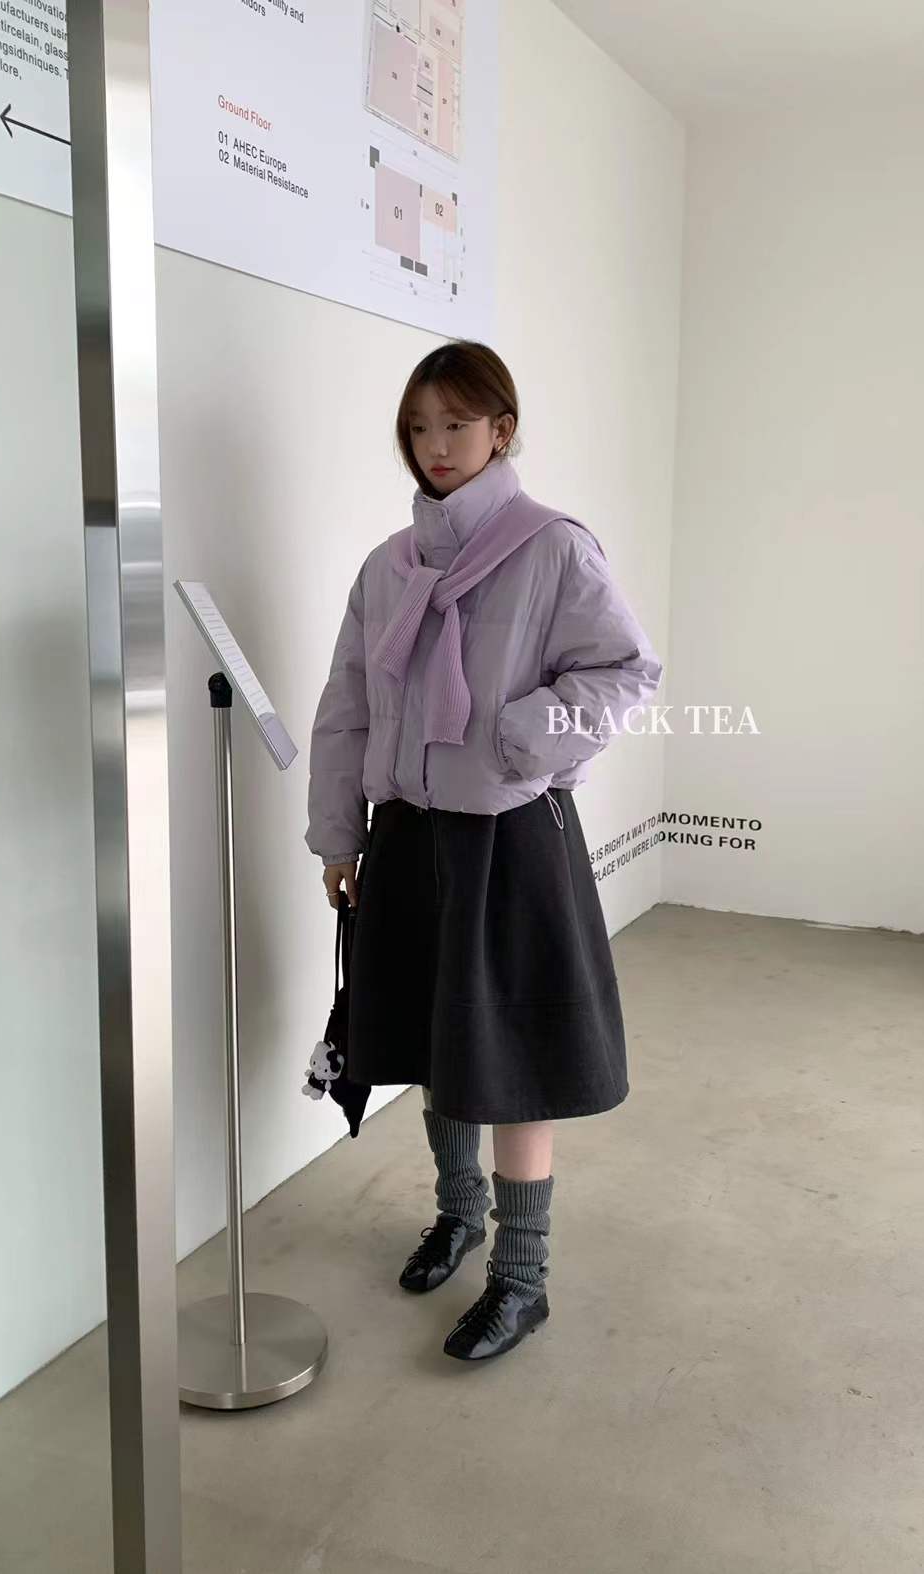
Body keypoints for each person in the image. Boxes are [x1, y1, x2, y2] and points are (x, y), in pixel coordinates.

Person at [304, 340, 663, 1362]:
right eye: (417, 427)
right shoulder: (389, 565)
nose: (435, 445)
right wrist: (339, 833)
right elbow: (345, 705)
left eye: (455, 424)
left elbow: (623, 670)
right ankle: (457, 1212)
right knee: (434, 1037)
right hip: (407, 833)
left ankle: (521, 1275)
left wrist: (515, 740)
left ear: (501, 430)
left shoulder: (551, 547)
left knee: (509, 1058)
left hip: (508, 837)